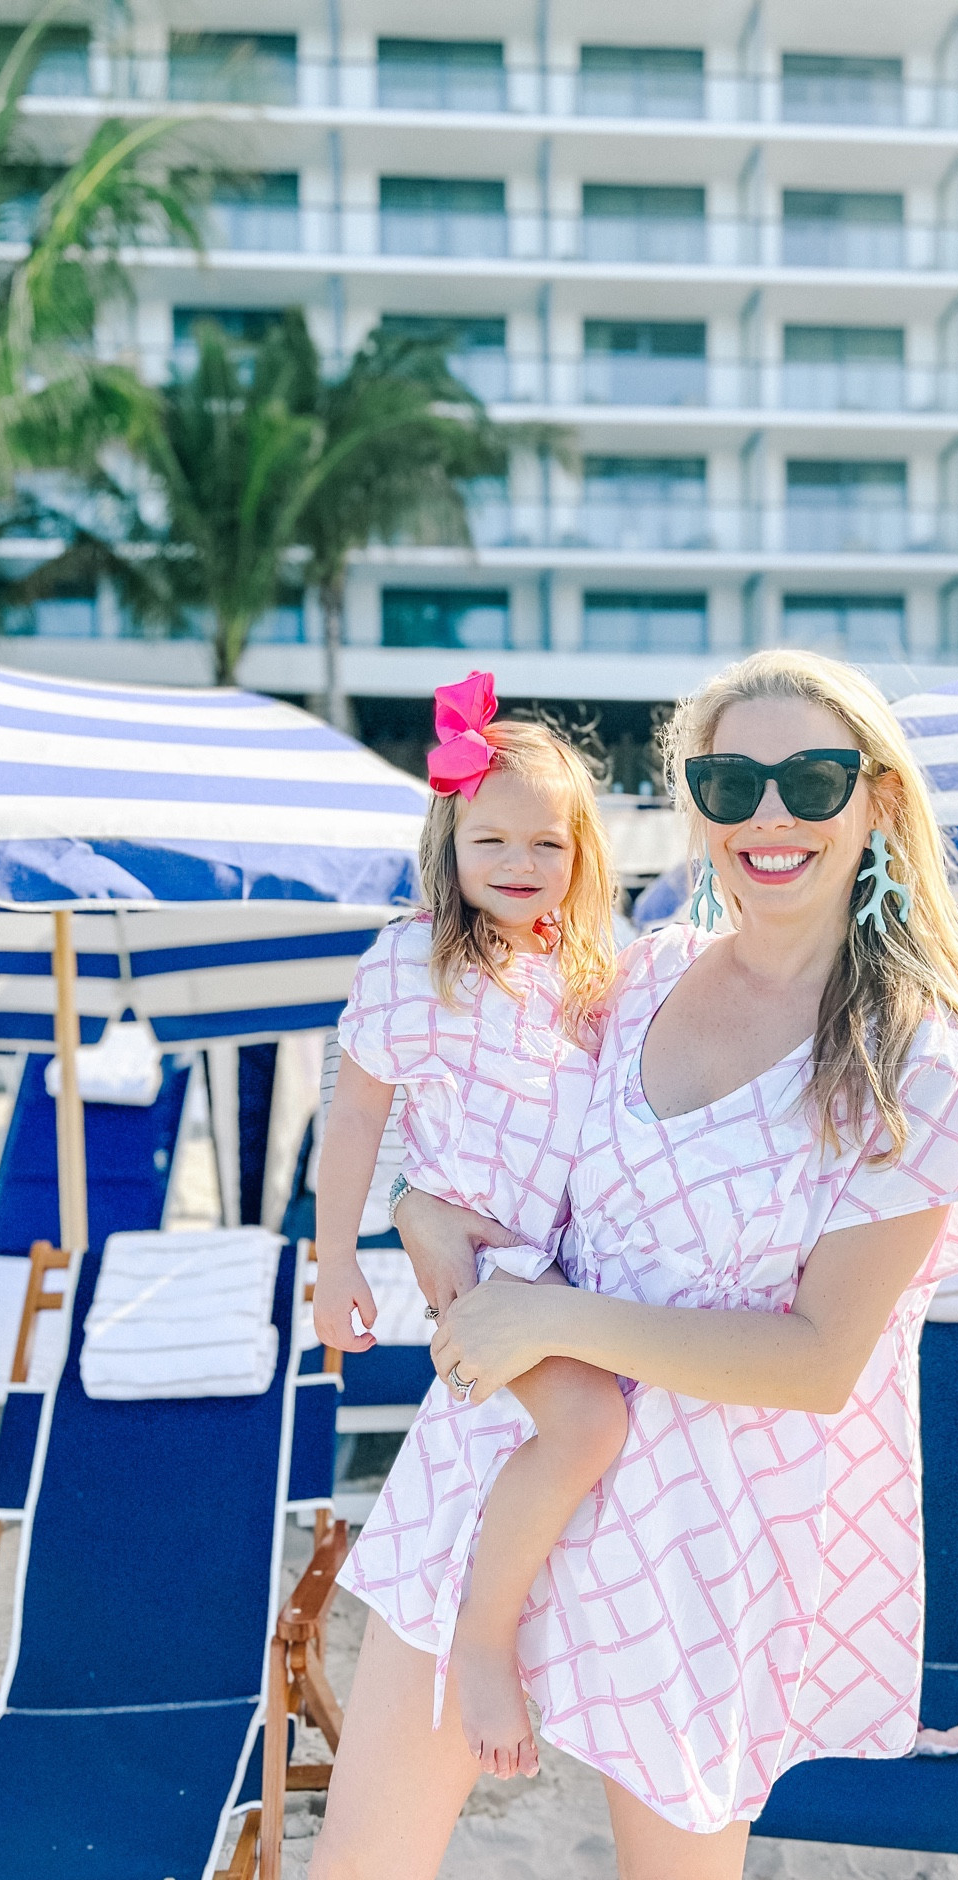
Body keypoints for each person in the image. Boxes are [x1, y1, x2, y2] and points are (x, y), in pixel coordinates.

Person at [290, 651, 958, 1880]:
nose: (771, 812)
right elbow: (479, 1119)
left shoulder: (915, 1065)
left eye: (810, 777)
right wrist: (413, 1205)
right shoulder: (633, 979)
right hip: (508, 1450)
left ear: (876, 801)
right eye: (729, 779)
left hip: (703, 1525)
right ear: (691, 803)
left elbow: (819, 1360)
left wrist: (559, 1318)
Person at [313, 669, 625, 1781]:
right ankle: (484, 1641)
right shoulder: (412, 961)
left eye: (547, 842)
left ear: (582, 854)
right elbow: (357, 1112)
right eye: (490, 839)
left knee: (585, 1442)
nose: (519, 861)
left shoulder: (587, 971)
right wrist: (337, 1259)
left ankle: (522, 1624)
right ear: (449, 843)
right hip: (484, 1266)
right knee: (587, 1427)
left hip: (567, 1271)